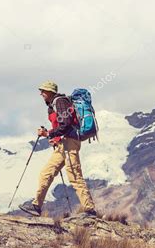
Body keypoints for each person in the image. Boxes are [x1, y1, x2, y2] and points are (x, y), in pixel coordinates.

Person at [19, 81, 97, 217]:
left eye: (43, 91)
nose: (41, 93)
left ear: (50, 91)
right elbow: (62, 125)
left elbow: (65, 124)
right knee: (46, 173)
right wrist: (53, 135)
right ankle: (36, 206)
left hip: (69, 142)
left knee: (74, 175)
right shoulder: (56, 103)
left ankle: (89, 209)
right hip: (63, 144)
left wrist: (49, 133)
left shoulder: (60, 102)